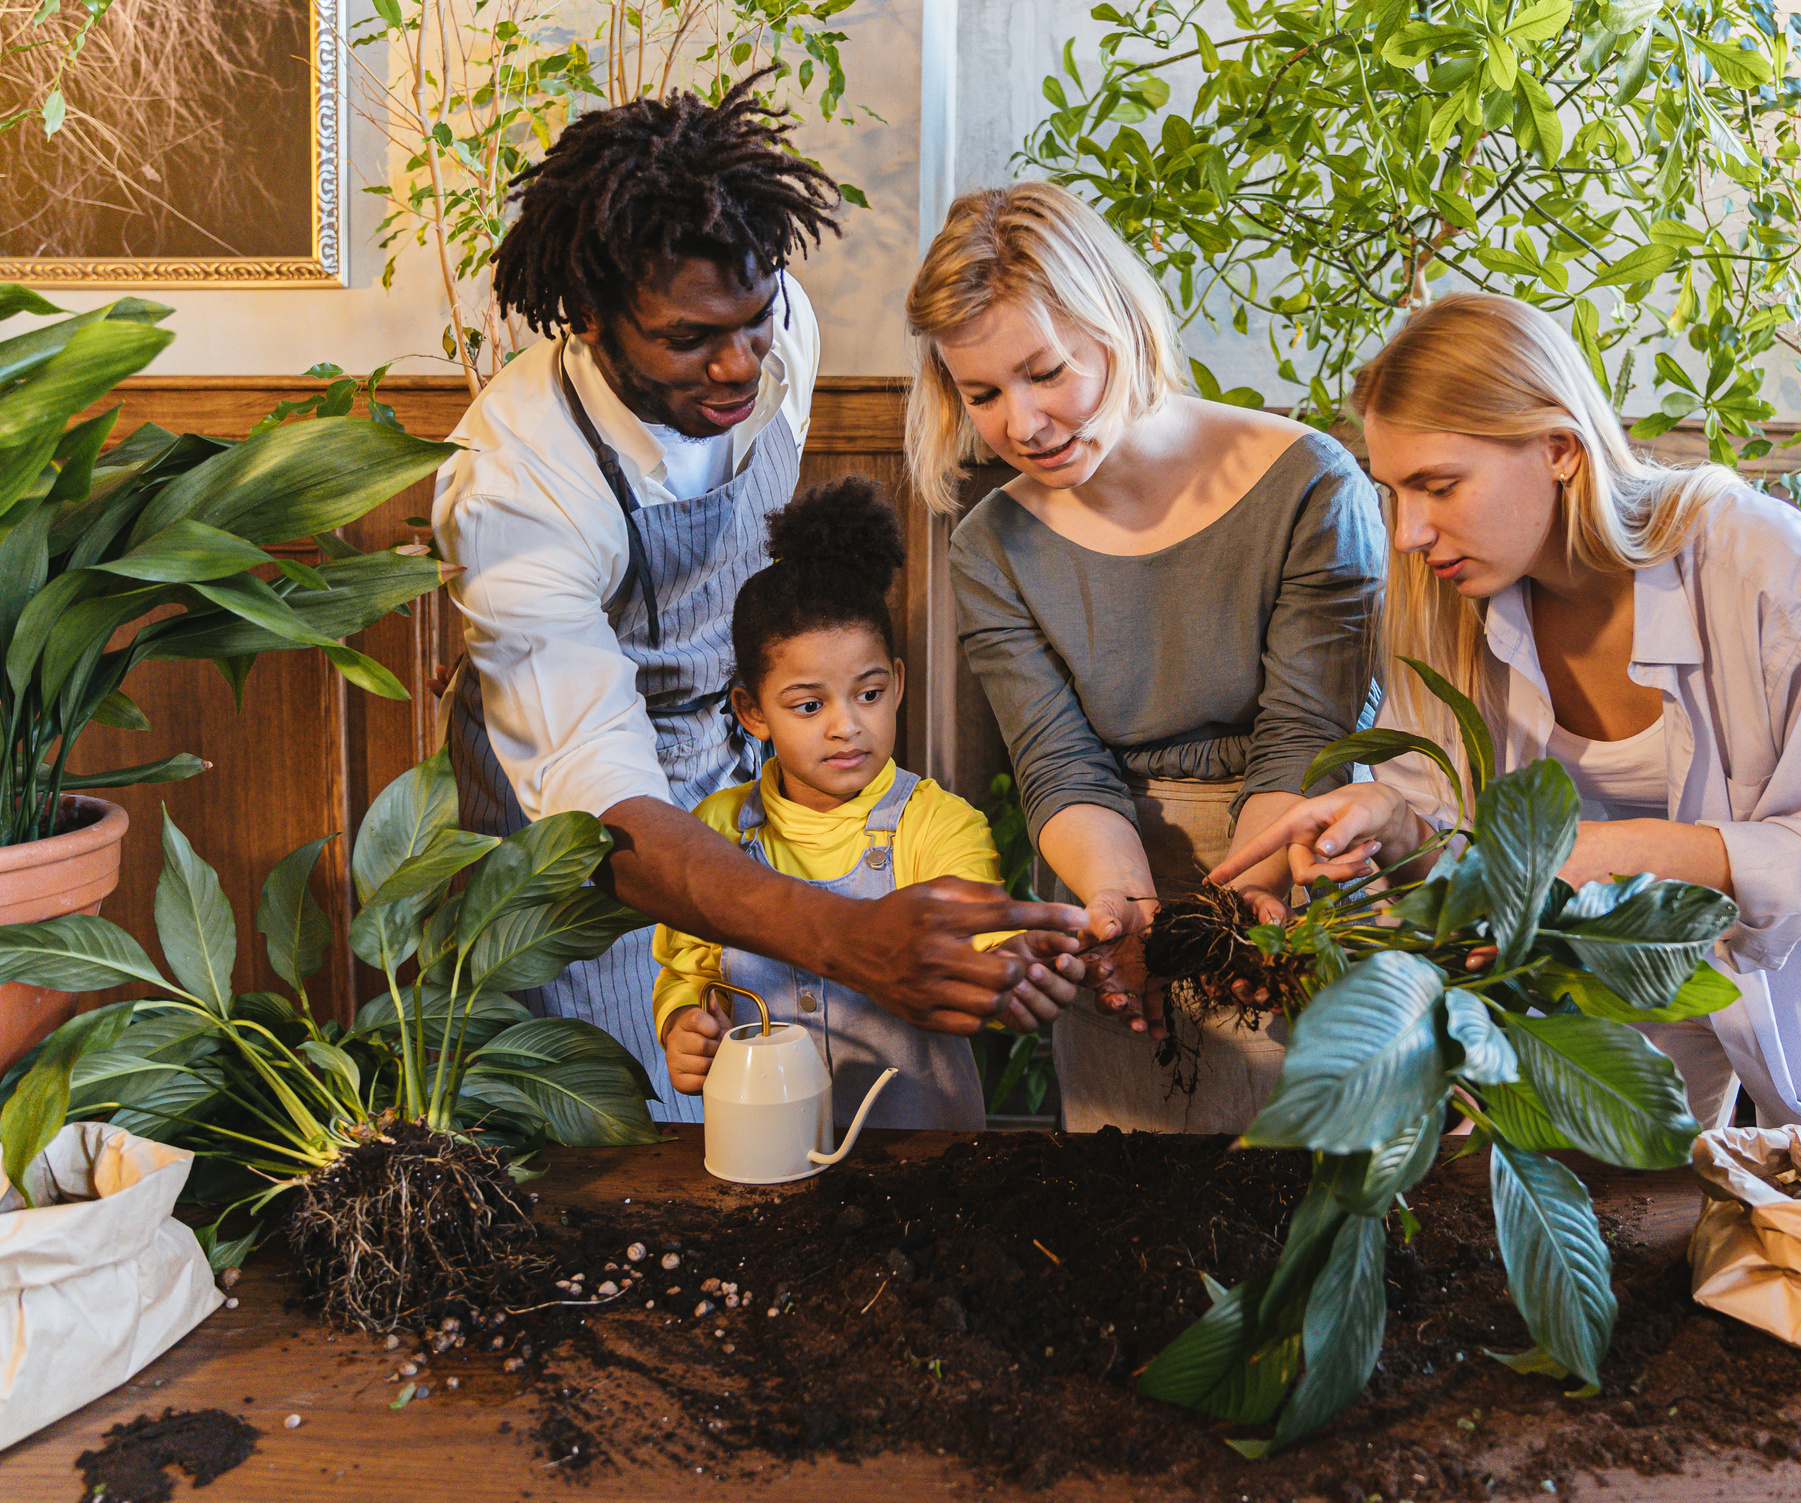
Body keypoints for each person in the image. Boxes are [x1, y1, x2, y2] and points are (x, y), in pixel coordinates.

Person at [433, 79, 1084, 1122]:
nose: (739, 364)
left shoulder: (779, 340)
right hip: (581, 829)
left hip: (741, 761)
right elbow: (603, 805)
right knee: (616, 1139)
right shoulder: (517, 482)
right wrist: (838, 933)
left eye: (756, 317)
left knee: (778, 1106)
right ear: (594, 323)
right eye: (689, 341)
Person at [1212, 292, 1801, 1157]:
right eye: (1391, 491)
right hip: (1604, 1002)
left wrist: (1615, 856)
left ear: (1560, 449)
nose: (1406, 533)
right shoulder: (1441, 606)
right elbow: (1461, 860)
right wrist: (1394, 824)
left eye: (1438, 485)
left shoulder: (1773, 570)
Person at [904, 182, 1386, 1133]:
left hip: (1289, 862)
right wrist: (1123, 913)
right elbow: (1057, 761)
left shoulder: (1309, 484)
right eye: (983, 393)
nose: (1025, 424)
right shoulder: (991, 544)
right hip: (1102, 869)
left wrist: (1230, 917)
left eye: (1046, 371)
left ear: (1117, 322)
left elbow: (1306, 735)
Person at [651, 479, 1081, 1130]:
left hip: (924, 1159)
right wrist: (684, 1022)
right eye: (808, 704)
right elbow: (687, 970)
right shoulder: (715, 830)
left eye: (869, 694)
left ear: (898, 683)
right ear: (751, 710)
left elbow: (984, 943)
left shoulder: (936, 824)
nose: (845, 725)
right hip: (769, 1154)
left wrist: (1011, 967)